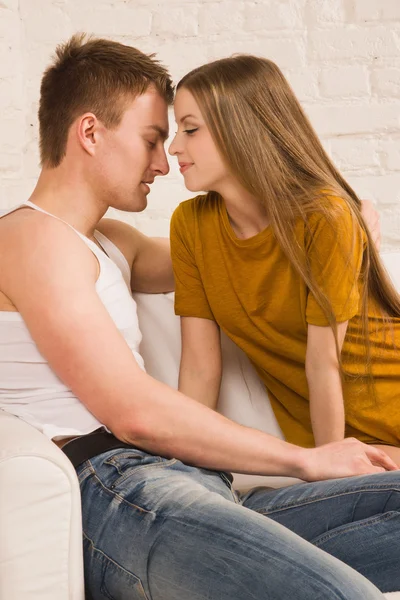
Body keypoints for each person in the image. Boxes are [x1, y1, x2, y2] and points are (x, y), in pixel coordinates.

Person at [0, 34, 399, 600]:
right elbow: (133, 412)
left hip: (191, 486)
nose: (164, 163)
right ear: (90, 133)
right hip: (119, 491)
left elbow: (244, 250)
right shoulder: (29, 239)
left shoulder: (110, 243)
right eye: (151, 139)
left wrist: (344, 221)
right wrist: (306, 460)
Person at [169, 55, 400, 470]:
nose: (174, 146)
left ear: (242, 129)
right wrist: (182, 471)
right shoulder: (190, 226)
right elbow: (200, 370)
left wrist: (333, 477)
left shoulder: (324, 216)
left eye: (190, 129)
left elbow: (322, 361)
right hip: (354, 443)